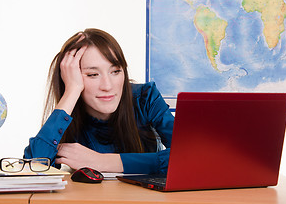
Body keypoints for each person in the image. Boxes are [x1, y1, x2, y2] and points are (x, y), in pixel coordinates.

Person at [24, 28, 174, 174]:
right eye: (93, 74)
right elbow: (33, 167)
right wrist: (72, 91)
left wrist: (103, 162)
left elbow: (191, 156)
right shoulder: (67, 114)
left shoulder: (144, 97)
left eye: (115, 71)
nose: (107, 86)